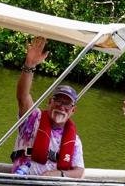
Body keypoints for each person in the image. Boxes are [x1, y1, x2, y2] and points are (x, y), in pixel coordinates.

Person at [11, 37, 85, 178]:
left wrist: (59, 174)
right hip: (22, 181)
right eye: (58, 100)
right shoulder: (34, 119)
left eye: (67, 103)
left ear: (73, 110)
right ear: (49, 102)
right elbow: (22, 96)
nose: (61, 106)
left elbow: (79, 172)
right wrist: (29, 64)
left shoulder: (75, 141)